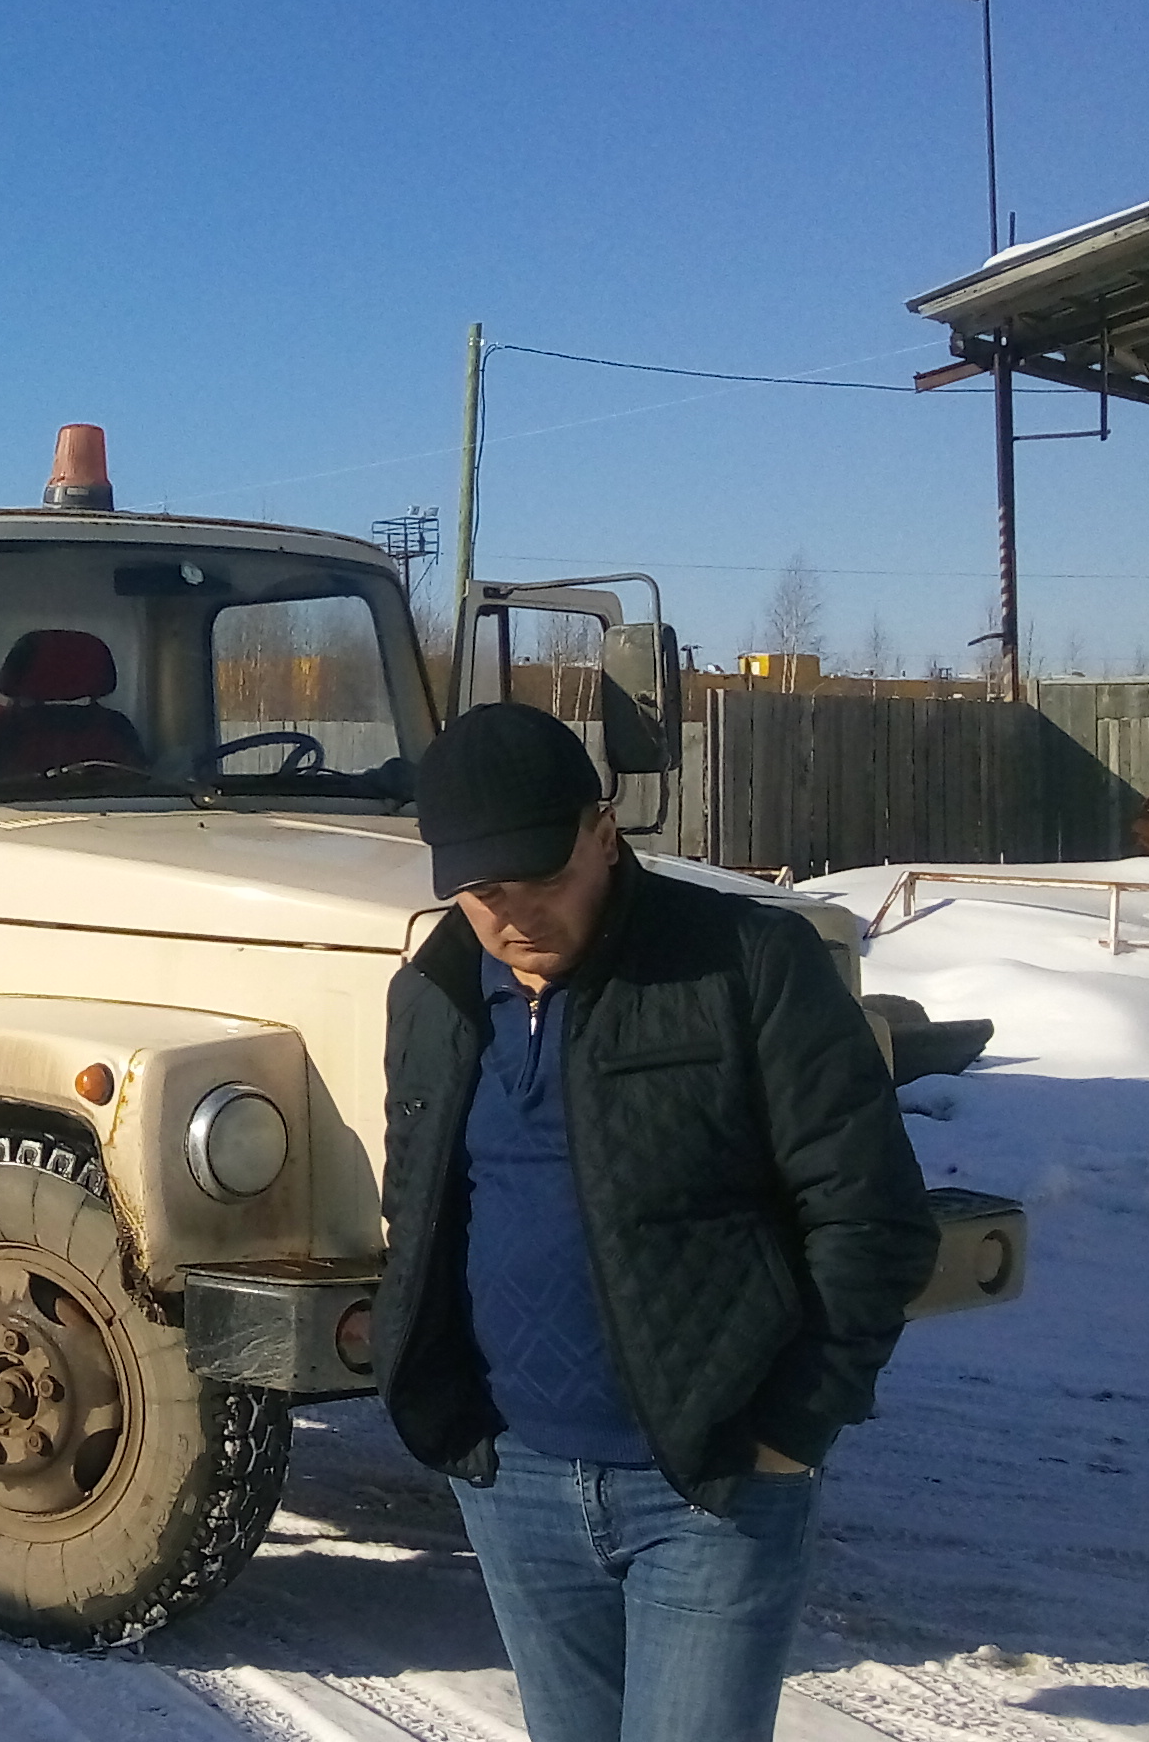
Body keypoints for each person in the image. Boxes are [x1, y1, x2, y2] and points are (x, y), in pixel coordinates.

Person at [375, 703, 940, 1742]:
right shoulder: (435, 993)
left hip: (711, 1486)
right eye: (483, 890)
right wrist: (449, 1414)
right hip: (516, 1482)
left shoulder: (745, 963)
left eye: (541, 879)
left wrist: (790, 1425)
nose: (513, 917)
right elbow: (417, 1203)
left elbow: (873, 1215)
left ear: (604, 829)